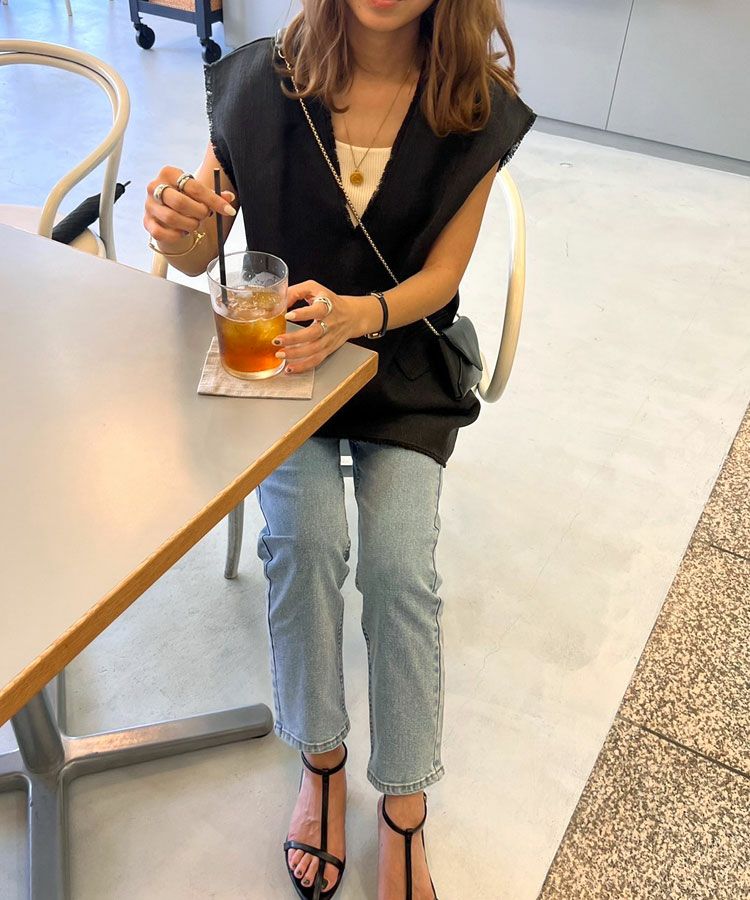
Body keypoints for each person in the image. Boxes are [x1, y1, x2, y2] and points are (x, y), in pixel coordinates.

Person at [143, 1, 535, 897]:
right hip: (284, 366)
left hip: (402, 363)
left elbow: (444, 276)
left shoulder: (474, 102)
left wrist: (360, 315)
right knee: (306, 540)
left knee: (400, 569)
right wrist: (180, 224)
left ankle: (404, 803)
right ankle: (320, 762)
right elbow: (207, 245)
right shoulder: (261, 80)